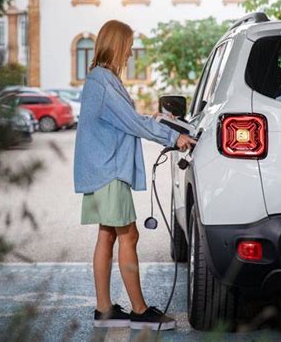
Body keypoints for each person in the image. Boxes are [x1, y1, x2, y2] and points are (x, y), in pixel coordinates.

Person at [73, 20, 196, 330]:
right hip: (109, 172)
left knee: (108, 234)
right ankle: (140, 312)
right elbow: (132, 122)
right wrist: (173, 137)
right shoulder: (104, 81)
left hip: (101, 170)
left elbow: (127, 119)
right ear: (117, 45)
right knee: (129, 235)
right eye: (127, 46)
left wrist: (161, 122)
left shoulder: (100, 79)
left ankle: (104, 310)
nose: (129, 54)